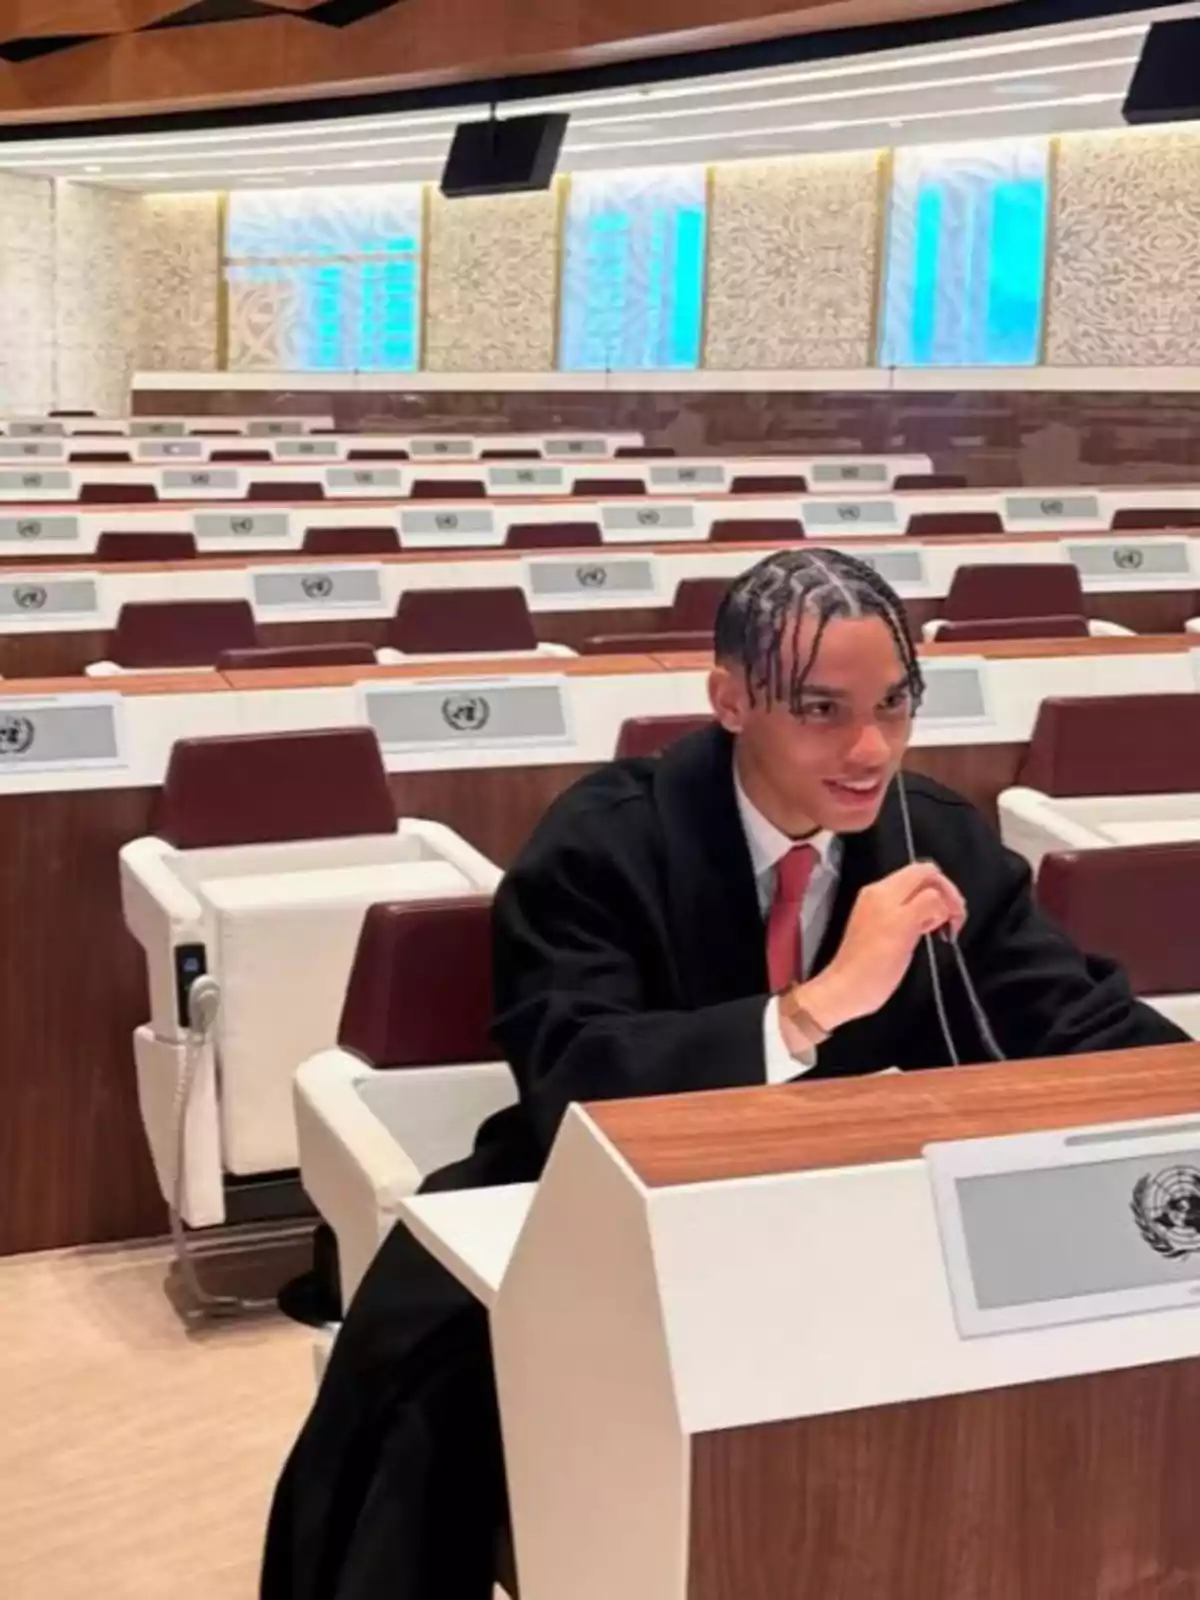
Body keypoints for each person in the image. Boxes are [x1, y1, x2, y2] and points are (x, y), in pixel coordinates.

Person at [262, 547, 1185, 1600]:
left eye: (895, 704)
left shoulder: (936, 835)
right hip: (596, 1213)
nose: (869, 747)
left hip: (871, 1215)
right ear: (731, 699)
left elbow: (1072, 1016)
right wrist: (815, 1006)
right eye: (822, 710)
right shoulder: (598, 843)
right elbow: (574, 1078)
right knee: (422, 1406)